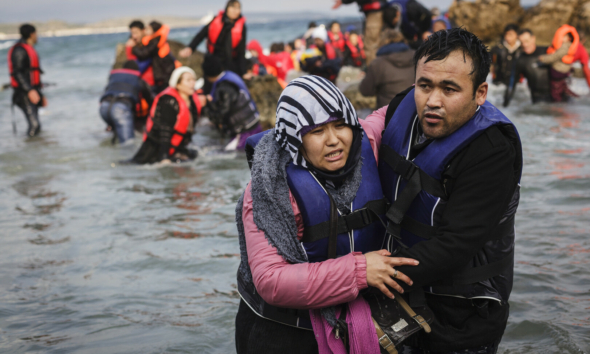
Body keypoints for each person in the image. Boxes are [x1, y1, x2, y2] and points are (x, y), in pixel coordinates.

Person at [235, 75, 419, 353]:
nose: (334, 140)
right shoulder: (267, 188)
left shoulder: (364, 139)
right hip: (280, 330)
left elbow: (403, 105)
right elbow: (270, 280)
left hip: (354, 315)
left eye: (340, 125)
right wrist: (360, 271)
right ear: (295, 138)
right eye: (317, 131)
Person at [373, 28, 522, 353]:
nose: (433, 101)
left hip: (462, 313)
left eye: (449, 89)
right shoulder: (402, 106)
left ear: (480, 92)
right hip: (400, 291)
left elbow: (455, 244)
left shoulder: (492, 151)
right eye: (424, 85)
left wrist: (370, 276)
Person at [130, 67, 203, 164]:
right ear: (177, 84)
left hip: (177, 148)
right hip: (155, 150)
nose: (192, 83)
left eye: (193, 79)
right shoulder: (169, 101)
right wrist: (164, 158)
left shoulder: (192, 101)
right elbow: (165, 131)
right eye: (188, 80)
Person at [201, 54, 261, 150]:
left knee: (227, 154)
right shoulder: (230, 75)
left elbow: (221, 115)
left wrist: (205, 106)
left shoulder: (224, 87)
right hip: (255, 125)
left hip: (245, 131)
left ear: (207, 75)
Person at [180, 0, 247, 77]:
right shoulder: (216, 20)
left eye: (238, 8)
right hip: (213, 59)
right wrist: (190, 48)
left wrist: (243, 72)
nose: (235, 10)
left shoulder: (242, 27)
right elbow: (201, 35)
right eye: (232, 7)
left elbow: (241, 51)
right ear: (227, 8)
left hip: (230, 62)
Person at [99, 60, 153, 144]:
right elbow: (148, 97)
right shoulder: (137, 78)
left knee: (114, 138)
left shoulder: (114, 76)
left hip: (104, 108)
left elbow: (106, 91)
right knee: (128, 144)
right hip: (121, 108)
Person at [8, 24, 47, 137]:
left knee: (36, 125)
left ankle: (34, 148)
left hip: (31, 90)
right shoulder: (19, 50)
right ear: (32, 34)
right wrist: (29, 90)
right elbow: (17, 73)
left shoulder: (27, 48)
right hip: (23, 93)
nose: (37, 36)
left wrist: (40, 94)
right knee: (35, 126)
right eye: (36, 34)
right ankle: (30, 149)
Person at [359, 29, 415, 108]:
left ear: (382, 43)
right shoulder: (416, 57)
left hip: (388, 112)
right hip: (413, 111)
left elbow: (365, 90)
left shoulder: (378, 63)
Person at [127, 21, 178, 94]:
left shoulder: (155, 41)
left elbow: (143, 54)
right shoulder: (151, 41)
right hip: (160, 76)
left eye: (148, 29)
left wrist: (132, 48)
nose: (134, 36)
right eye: (132, 33)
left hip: (162, 76)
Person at [503, 29, 551, 106]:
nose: (524, 45)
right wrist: (504, 107)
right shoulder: (520, 60)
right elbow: (511, 84)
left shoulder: (547, 51)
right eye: (521, 42)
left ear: (533, 39)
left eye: (527, 41)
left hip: (558, 97)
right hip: (537, 101)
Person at [333, 0, 384, 65]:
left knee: (371, 46)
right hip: (374, 13)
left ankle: (374, 71)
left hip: (374, 14)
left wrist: (343, 1)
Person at [539, 25, 580, 102]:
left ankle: (558, 106)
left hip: (558, 73)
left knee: (556, 92)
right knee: (563, 88)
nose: (561, 38)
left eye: (563, 37)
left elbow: (555, 57)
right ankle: (572, 98)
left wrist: (543, 58)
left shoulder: (564, 47)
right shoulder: (565, 46)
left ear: (569, 38)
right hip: (562, 73)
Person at [125, 20, 155, 88]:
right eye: (132, 33)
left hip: (151, 84)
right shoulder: (137, 46)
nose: (134, 36)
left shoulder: (150, 45)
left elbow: (136, 68)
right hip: (141, 83)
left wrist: (129, 48)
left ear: (143, 30)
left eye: (136, 33)